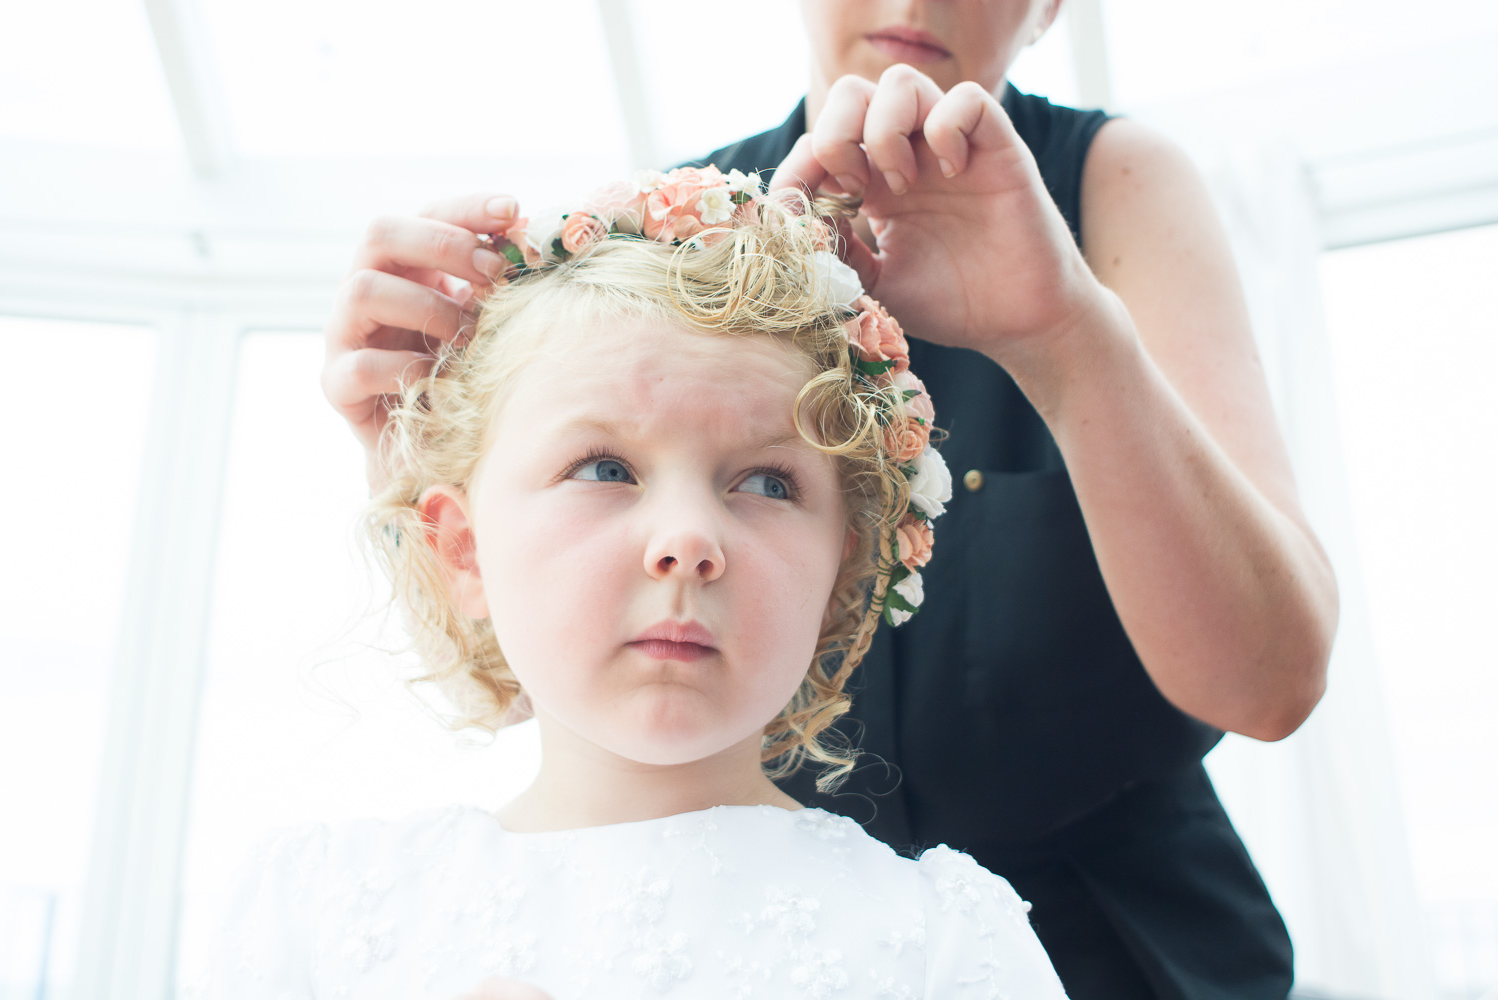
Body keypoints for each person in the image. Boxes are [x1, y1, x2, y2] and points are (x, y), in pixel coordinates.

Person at [318, 3, 1340, 997]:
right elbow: (583, 673)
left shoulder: (1115, 186)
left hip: (1121, 947)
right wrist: (421, 451)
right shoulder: (676, 234)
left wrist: (1066, 339)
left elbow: (1271, 682)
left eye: (766, 482)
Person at [199, 169, 1069, 998]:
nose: (688, 541)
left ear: (841, 570)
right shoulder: (316, 913)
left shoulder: (949, 942)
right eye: (605, 466)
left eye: (766, 484)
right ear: (463, 552)